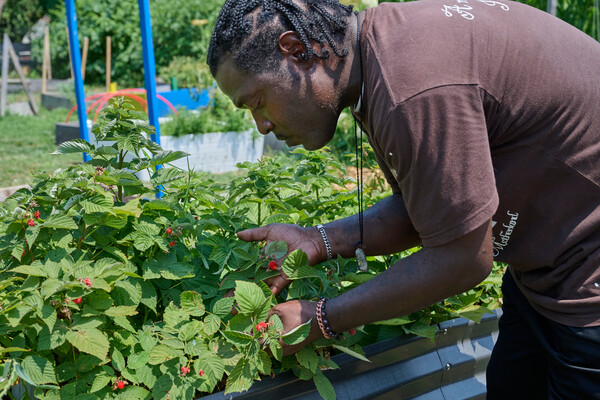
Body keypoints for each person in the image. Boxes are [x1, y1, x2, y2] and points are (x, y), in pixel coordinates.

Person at [207, 0, 600, 397]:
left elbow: (462, 258)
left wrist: (321, 317)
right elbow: (436, 206)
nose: (262, 126)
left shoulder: (411, 88)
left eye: (256, 102)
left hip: (587, 275)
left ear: (296, 51)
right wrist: (316, 241)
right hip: (549, 264)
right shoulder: (379, 54)